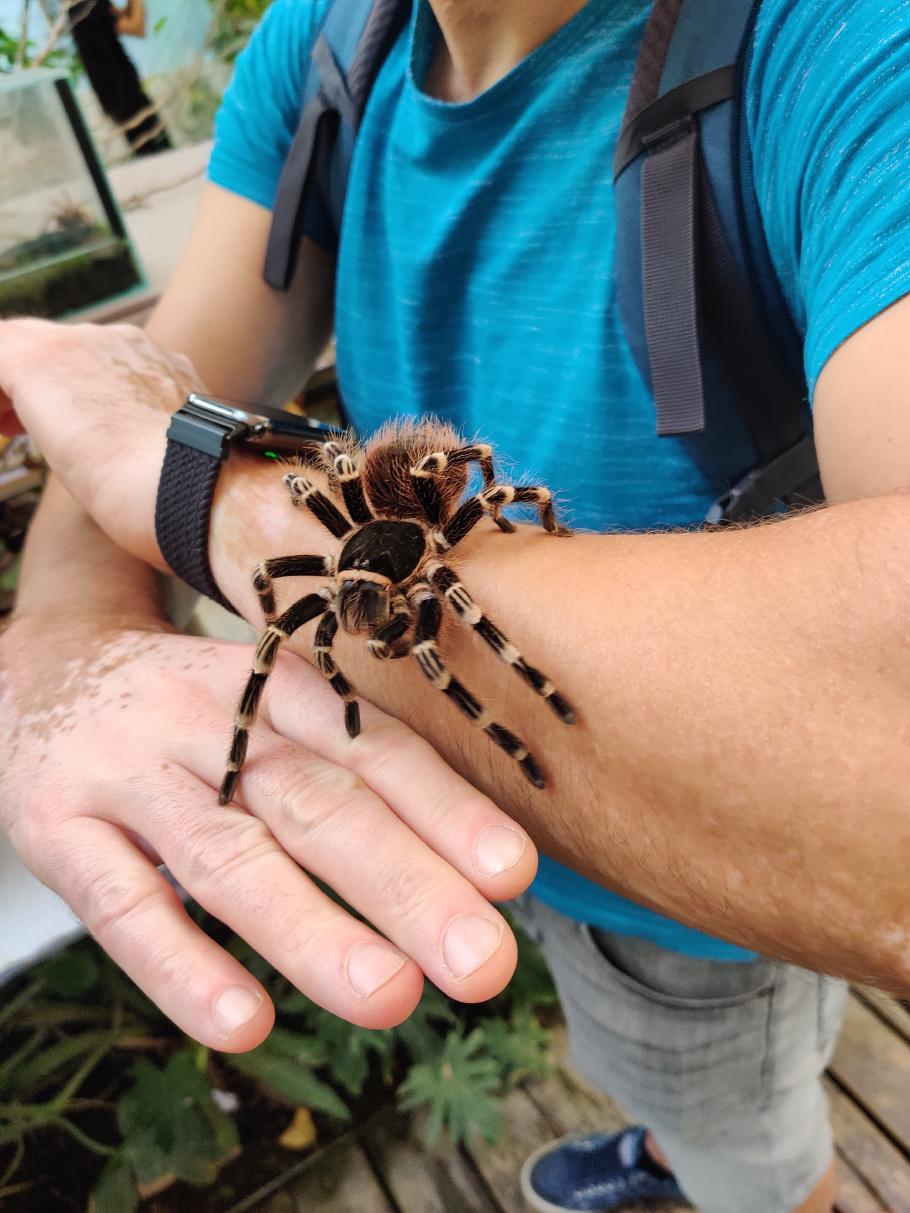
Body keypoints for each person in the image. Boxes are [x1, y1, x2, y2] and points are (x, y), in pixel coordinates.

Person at [1, 1, 909, 1210]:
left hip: (702, 912)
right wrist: (63, 633)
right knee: (667, 1068)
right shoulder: (324, 46)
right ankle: (669, 1146)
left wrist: (219, 501)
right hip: (524, 845)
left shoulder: (843, 48)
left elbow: (200, 469)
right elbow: (139, 402)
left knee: (734, 1115)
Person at [68, 0, 172, 156]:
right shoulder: (89, 7)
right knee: (157, 150)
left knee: (149, 151)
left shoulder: (80, 9)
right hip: (124, 93)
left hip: (117, 95)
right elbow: (136, 27)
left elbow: (121, 17)